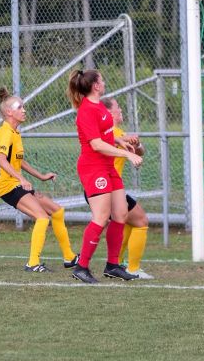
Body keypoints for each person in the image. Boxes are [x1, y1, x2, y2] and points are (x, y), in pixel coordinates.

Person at [68, 69, 142, 283]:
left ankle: (112, 265)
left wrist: (120, 142)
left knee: (120, 215)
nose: (104, 82)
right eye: (102, 79)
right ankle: (81, 267)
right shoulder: (86, 110)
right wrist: (127, 154)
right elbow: (96, 144)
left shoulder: (99, 106)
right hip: (93, 167)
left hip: (107, 166)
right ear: (95, 86)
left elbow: (106, 135)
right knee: (101, 217)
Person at [0, 87, 78, 273]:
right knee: (42, 217)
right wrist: (22, 180)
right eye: (20, 107)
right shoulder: (5, 132)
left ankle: (70, 257)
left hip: (16, 184)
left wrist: (41, 176)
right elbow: (1, 160)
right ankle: (32, 263)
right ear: (9, 112)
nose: (24, 110)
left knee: (57, 211)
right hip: (8, 187)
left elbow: (18, 160)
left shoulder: (15, 133)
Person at [102, 97, 154, 279]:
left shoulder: (117, 132)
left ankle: (117, 265)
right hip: (107, 189)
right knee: (141, 220)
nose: (121, 109)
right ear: (108, 112)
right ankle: (132, 268)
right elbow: (112, 141)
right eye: (117, 107)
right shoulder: (109, 133)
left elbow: (139, 151)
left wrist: (136, 143)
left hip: (113, 188)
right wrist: (127, 141)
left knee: (126, 222)